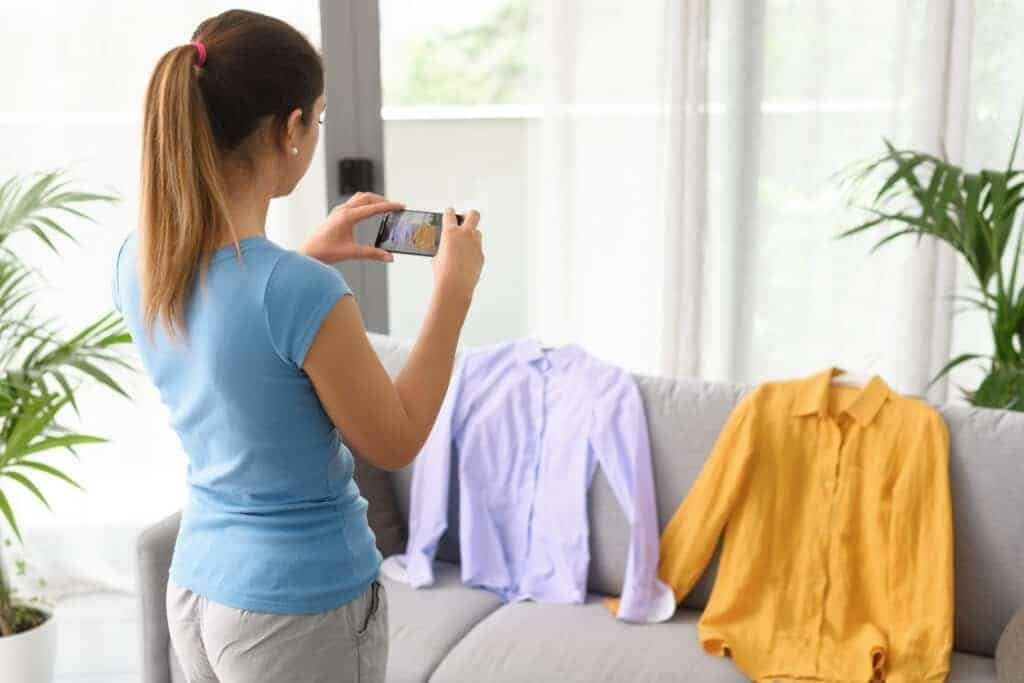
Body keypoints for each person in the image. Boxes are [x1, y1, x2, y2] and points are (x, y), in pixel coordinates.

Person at [111, 9, 483, 683]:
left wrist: (307, 252)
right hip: (297, 610)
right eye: (318, 116)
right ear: (290, 129)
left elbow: (233, 326)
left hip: (198, 590)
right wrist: (453, 291)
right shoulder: (298, 292)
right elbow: (395, 439)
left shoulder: (140, 260)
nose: (316, 132)